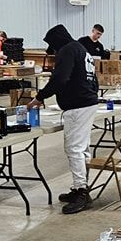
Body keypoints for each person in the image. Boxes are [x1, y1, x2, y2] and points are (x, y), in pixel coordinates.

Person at [27, 24, 99, 215]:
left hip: (78, 105)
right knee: (82, 147)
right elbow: (95, 80)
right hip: (88, 102)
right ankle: (79, 187)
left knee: (74, 149)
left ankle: (82, 192)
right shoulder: (82, 50)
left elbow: (60, 79)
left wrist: (39, 98)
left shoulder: (67, 50)